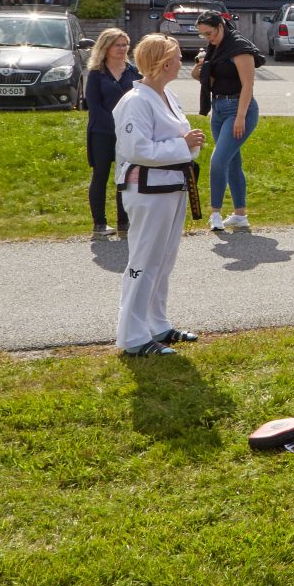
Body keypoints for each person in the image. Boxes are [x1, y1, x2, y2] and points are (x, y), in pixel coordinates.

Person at [113, 34, 205, 358]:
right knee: (144, 261)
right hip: (147, 191)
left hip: (172, 187)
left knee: (164, 260)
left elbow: (177, 138)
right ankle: (133, 336)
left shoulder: (168, 95)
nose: (183, 61)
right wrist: (184, 144)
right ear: (165, 62)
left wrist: (190, 143)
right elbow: (136, 149)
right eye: (179, 56)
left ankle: (158, 324)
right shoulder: (135, 101)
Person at [194, 11, 260, 233]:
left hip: (239, 108)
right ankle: (240, 216)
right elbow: (208, 78)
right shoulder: (216, 48)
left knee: (218, 161)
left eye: (210, 33)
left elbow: (248, 85)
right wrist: (200, 68)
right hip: (219, 108)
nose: (208, 38)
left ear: (221, 26)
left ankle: (215, 213)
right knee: (232, 162)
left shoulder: (239, 47)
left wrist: (240, 116)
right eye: (203, 35)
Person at [84, 27, 138, 239]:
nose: (123, 49)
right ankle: (99, 224)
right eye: (118, 45)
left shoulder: (133, 72)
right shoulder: (96, 73)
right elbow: (94, 105)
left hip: (127, 134)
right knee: (100, 176)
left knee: (124, 178)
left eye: (125, 45)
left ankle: (124, 223)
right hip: (101, 132)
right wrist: (115, 125)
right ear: (106, 47)